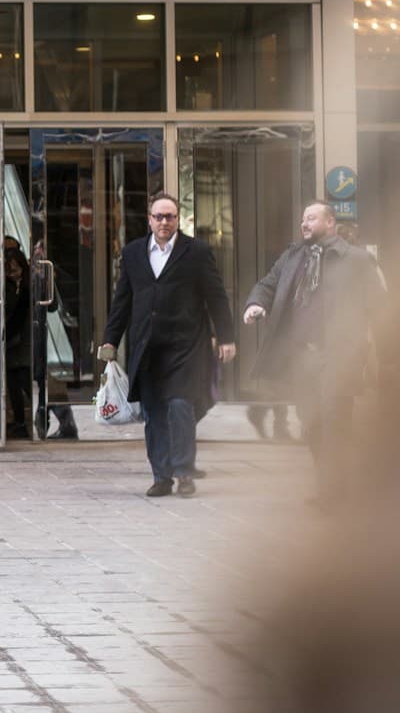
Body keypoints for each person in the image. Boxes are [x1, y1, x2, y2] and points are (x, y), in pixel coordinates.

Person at [242, 200, 386, 505]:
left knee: (335, 420)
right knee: (310, 423)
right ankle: (331, 482)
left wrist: (386, 355)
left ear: (330, 222)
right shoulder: (293, 256)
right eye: (303, 219)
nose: (304, 224)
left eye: (311, 218)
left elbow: (380, 307)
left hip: (340, 355)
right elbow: (268, 284)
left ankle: (332, 492)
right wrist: (256, 303)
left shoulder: (356, 260)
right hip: (302, 357)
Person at [100, 192, 236, 498]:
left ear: (178, 220)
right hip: (147, 347)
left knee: (179, 406)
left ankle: (184, 471)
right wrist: (110, 338)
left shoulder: (196, 251)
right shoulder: (134, 252)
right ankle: (161, 476)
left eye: (170, 216)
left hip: (185, 345)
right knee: (154, 413)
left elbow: (216, 296)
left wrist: (226, 336)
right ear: (149, 220)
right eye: (158, 217)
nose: (164, 222)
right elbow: (122, 300)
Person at [3, 249, 34, 438]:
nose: (13, 275)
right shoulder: (4, 285)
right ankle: (19, 421)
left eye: (16, 270)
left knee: (25, 378)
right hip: (10, 337)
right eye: (9, 272)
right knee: (12, 382)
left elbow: (52, 306)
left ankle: (43, 417)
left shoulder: (30, 284)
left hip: (26, 337)